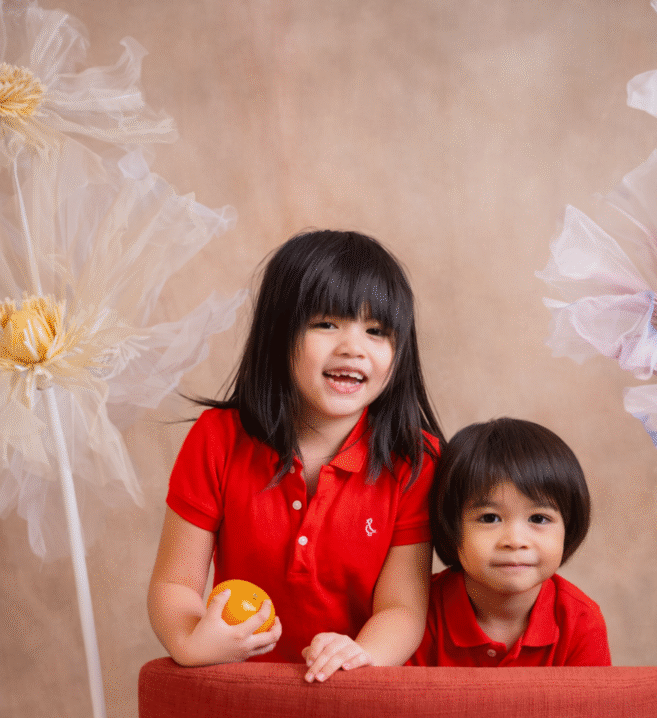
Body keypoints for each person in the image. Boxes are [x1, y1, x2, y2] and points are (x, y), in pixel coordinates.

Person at [148, 229, 443, 682]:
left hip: (360, 693)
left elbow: (402, 608)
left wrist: (357, 655)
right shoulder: (217, 439)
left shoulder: (414, 460)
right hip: (246, 692)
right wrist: (192, 642)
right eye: (326, 324)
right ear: (278, 333)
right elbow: (175, 585)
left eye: (377, 331)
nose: (353, 347)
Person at [410, 417, 610, 667]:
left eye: (539, 518)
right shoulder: (415, 612)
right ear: (451, 528)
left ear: (568, 528)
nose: (515, 541)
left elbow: (590, 707)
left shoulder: (581, 621)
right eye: (489, 518)